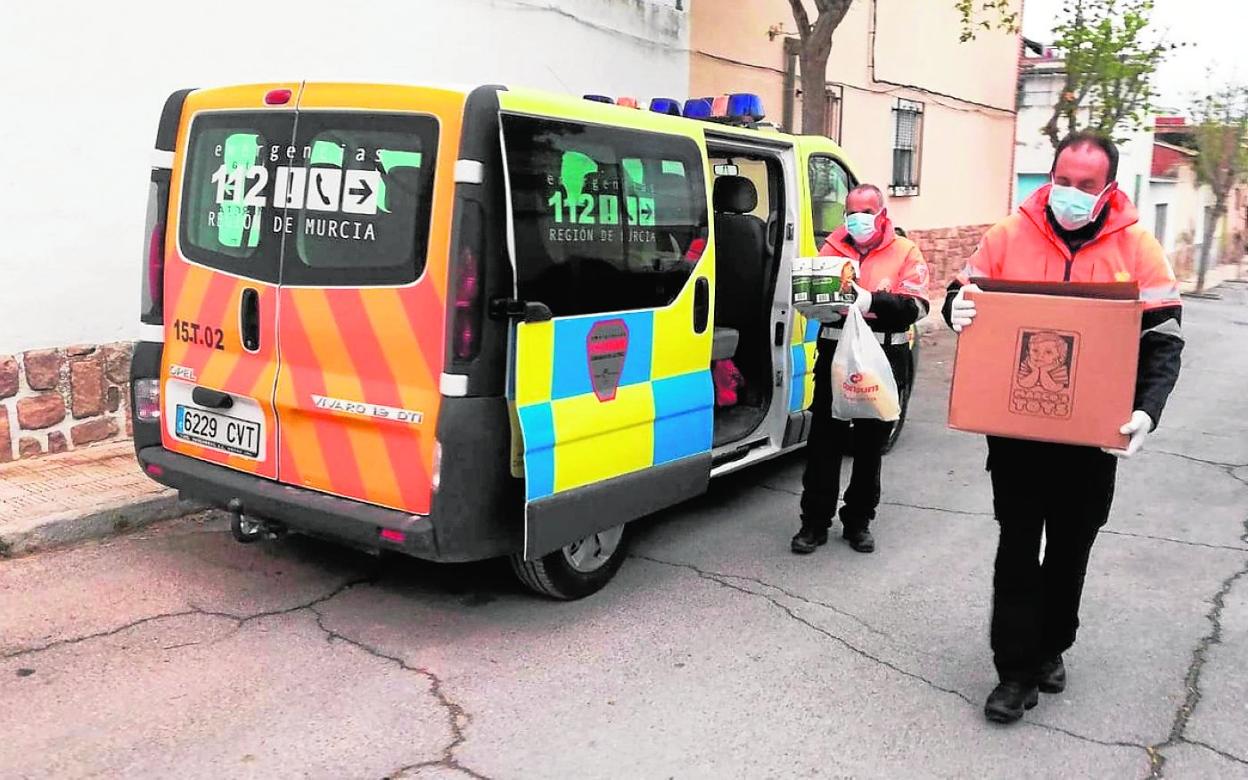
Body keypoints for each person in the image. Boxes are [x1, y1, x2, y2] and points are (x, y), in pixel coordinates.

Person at [943, 131, 1183, 724]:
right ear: (1050, 175)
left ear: (1108, 188)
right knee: (1018, 548)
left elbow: (1163, 338)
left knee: (1071, 549)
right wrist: (953, 309)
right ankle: (1014, 672)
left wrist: (1147, 409)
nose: (1070, 193)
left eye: (1085, 185)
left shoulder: (1138, 247)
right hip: (1018, 434)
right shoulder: (1008, 235)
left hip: (1091, 440)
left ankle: (1052, 646)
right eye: (1062, 180)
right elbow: (963, 293)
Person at [792, 184, 930, 555]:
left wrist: (870, 301)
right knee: (824, 442)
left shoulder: (905, 251)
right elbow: (817, 292)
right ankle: (814, 523)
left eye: (866, 212)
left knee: (870, 446)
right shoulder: (831, 249)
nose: (858, 219)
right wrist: (815, 306)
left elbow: (915, 307)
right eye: (852, 211)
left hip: (884, 357)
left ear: (882, 214)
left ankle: (858, 521)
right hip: (836, 354)